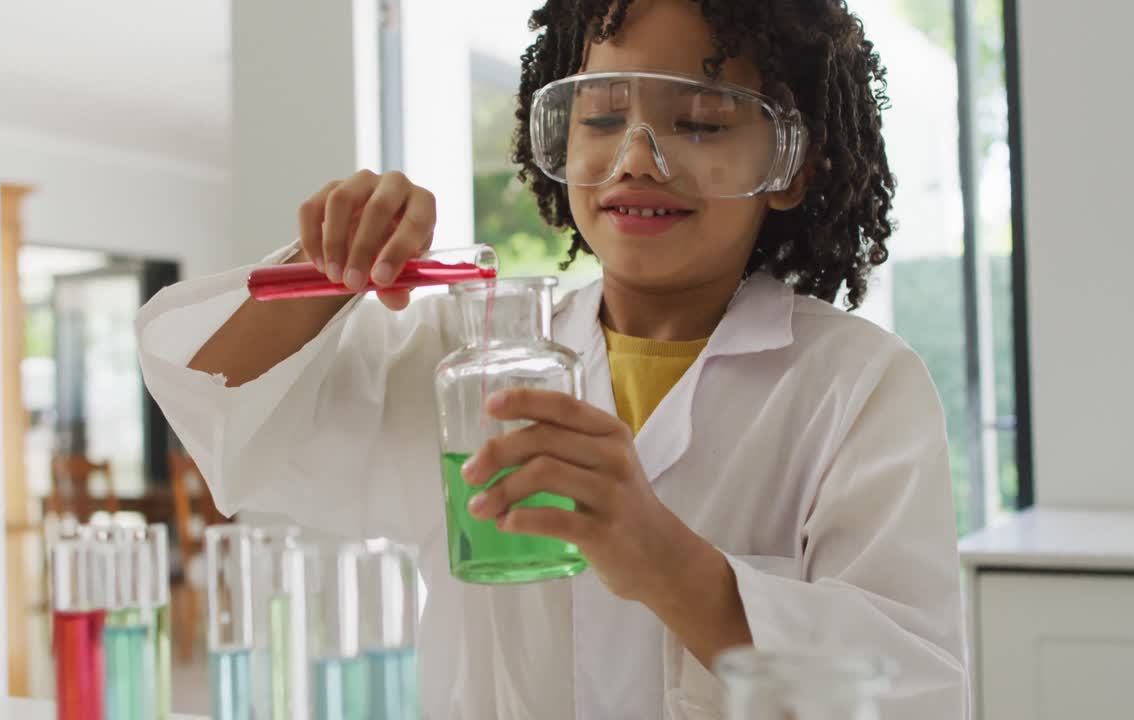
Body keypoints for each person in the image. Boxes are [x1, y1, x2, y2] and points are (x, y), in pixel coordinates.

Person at [136, 0, 967, 717]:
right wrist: (326, 270)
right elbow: (220, 399)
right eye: (601, 118)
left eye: (701, 122)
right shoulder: (469, 355)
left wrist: (665, 559)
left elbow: (915, 690)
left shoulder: (858, 388)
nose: (637, 157)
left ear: (791, 163)